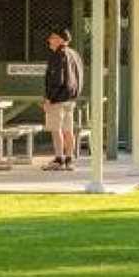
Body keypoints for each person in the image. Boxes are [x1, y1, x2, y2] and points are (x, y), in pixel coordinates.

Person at [42, 28, 84, 171]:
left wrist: (49, 98)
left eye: (52, 37)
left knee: (56, 129)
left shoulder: (58, 55)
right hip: (70, 99)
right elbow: (80, 77)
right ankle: (69, 159)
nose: (49, 40)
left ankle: (59, 159)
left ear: (60, 40)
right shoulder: (74, 54)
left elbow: (57, 80)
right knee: (68, 130)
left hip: (58, 100)